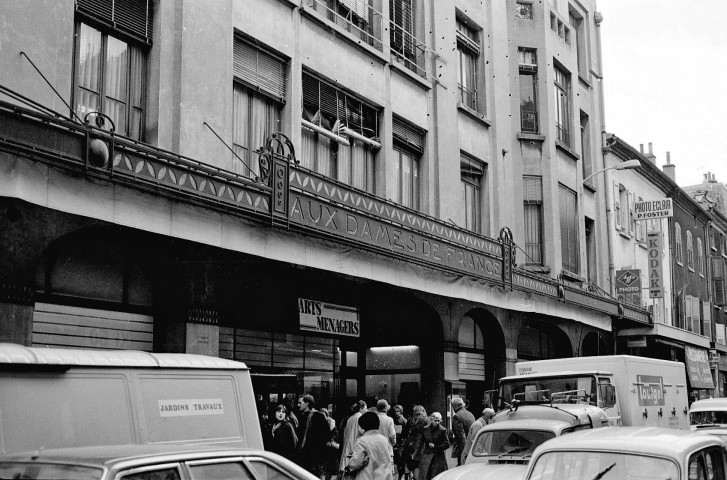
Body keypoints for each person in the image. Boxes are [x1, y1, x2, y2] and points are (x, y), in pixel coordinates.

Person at [347, 411, 394, 480]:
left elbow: (355, 463)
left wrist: (350, 460)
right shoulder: (384, 440)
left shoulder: (362, 441)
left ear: (363, 426)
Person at [297, 394, 332, 477]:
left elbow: (326, 436)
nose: (298, 405)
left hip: (314, 458)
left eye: (300, 402)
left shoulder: (318, 416)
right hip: (305, 456)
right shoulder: (303, 416)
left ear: (307, 403)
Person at [416, 412, 449, 480]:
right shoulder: (425, 429)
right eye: (435, 420)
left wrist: (436, 447)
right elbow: (420, 443)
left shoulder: (443, 430)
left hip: (438, 456)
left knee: (438, 476)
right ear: (431, 420)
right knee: (425, 474)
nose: (437, 422)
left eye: (439, 420)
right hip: (427, 455)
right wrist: (415, 454)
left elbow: (447, 444)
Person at [401, 405, 429, 479]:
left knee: (408, 463)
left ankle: (407, 477)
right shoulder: (426, 420)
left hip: (410, 445)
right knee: (417, 465)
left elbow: (404, 433)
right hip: (420, 446)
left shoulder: (410, 420)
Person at [339, 400, 367, 474]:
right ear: (361, 408)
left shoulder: (351, 418)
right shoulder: (361, 417)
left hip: (348, 447)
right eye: (365, 408)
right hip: (355, 448)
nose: (366, 410)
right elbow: (363, 432)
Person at [450, 397, 475, 466]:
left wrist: (464, 452)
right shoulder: (470, 414)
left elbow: (461, 436)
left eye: (452, 406)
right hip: (472, 445)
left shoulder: (457, 416)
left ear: (455, 406)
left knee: (461, 466)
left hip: (463, 449)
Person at [320, 407, 340, 480]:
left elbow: (336, 437)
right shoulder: (320, 425)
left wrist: (330, 441)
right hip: (325, 453)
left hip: (331, 453)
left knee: (332, 472)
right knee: (324, 472)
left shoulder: (332, 425)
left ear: (327, 416)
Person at [391, 404, 408, 480]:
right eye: (395, 411)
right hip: (395, 442)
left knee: (401, 461)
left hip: (401, 443)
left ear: (401, 412)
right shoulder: (393, 419)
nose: (396, 413)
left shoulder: (404, 421)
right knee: (396, 461)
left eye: (398, 411)